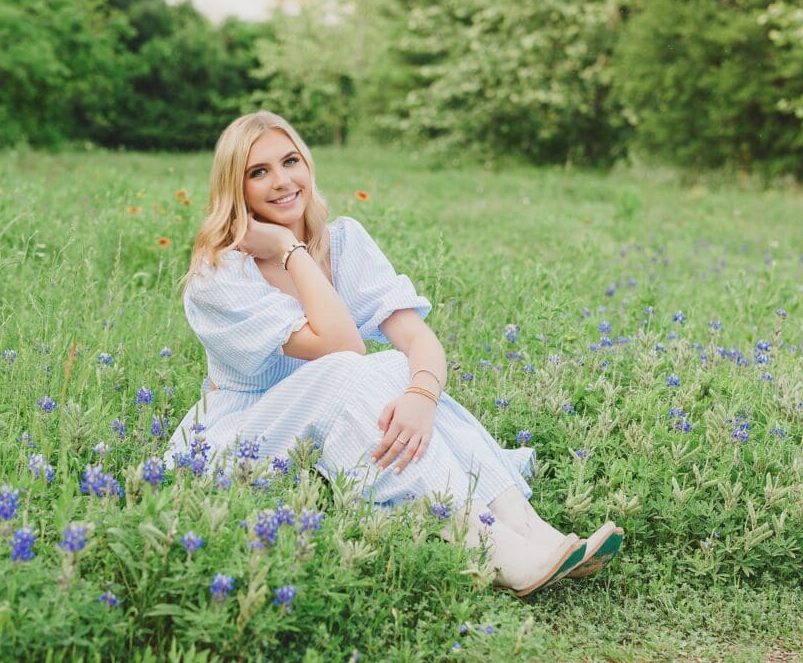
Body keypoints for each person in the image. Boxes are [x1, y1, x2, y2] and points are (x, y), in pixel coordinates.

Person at [167, 111, 623, 597]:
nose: (282, 181)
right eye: (259, 172)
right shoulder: (219, 275)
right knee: (363, 367)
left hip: (331, 417)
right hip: (241, 439)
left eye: (290, 161)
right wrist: (287, 248)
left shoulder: (341, 241)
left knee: (401, 375)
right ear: (235, 188)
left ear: (308, 164)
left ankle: (534, 533)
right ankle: (495, 548)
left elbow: (417, 339)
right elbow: (342, 346)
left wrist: (422, 397)